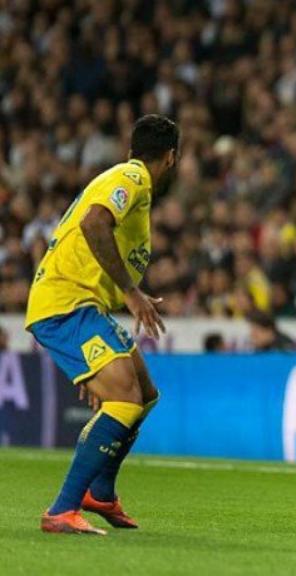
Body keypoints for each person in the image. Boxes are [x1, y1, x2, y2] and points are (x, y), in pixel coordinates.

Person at [24, 115, 179, 535]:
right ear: (170, 157)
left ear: (132, 148)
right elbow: (95, 222)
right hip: (66, 304)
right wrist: (132, 292)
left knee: (143, 393)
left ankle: (102, 493)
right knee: (125, 398)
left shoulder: (129, 180)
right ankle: (62, 509)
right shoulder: (134, 177)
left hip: (84, 307)